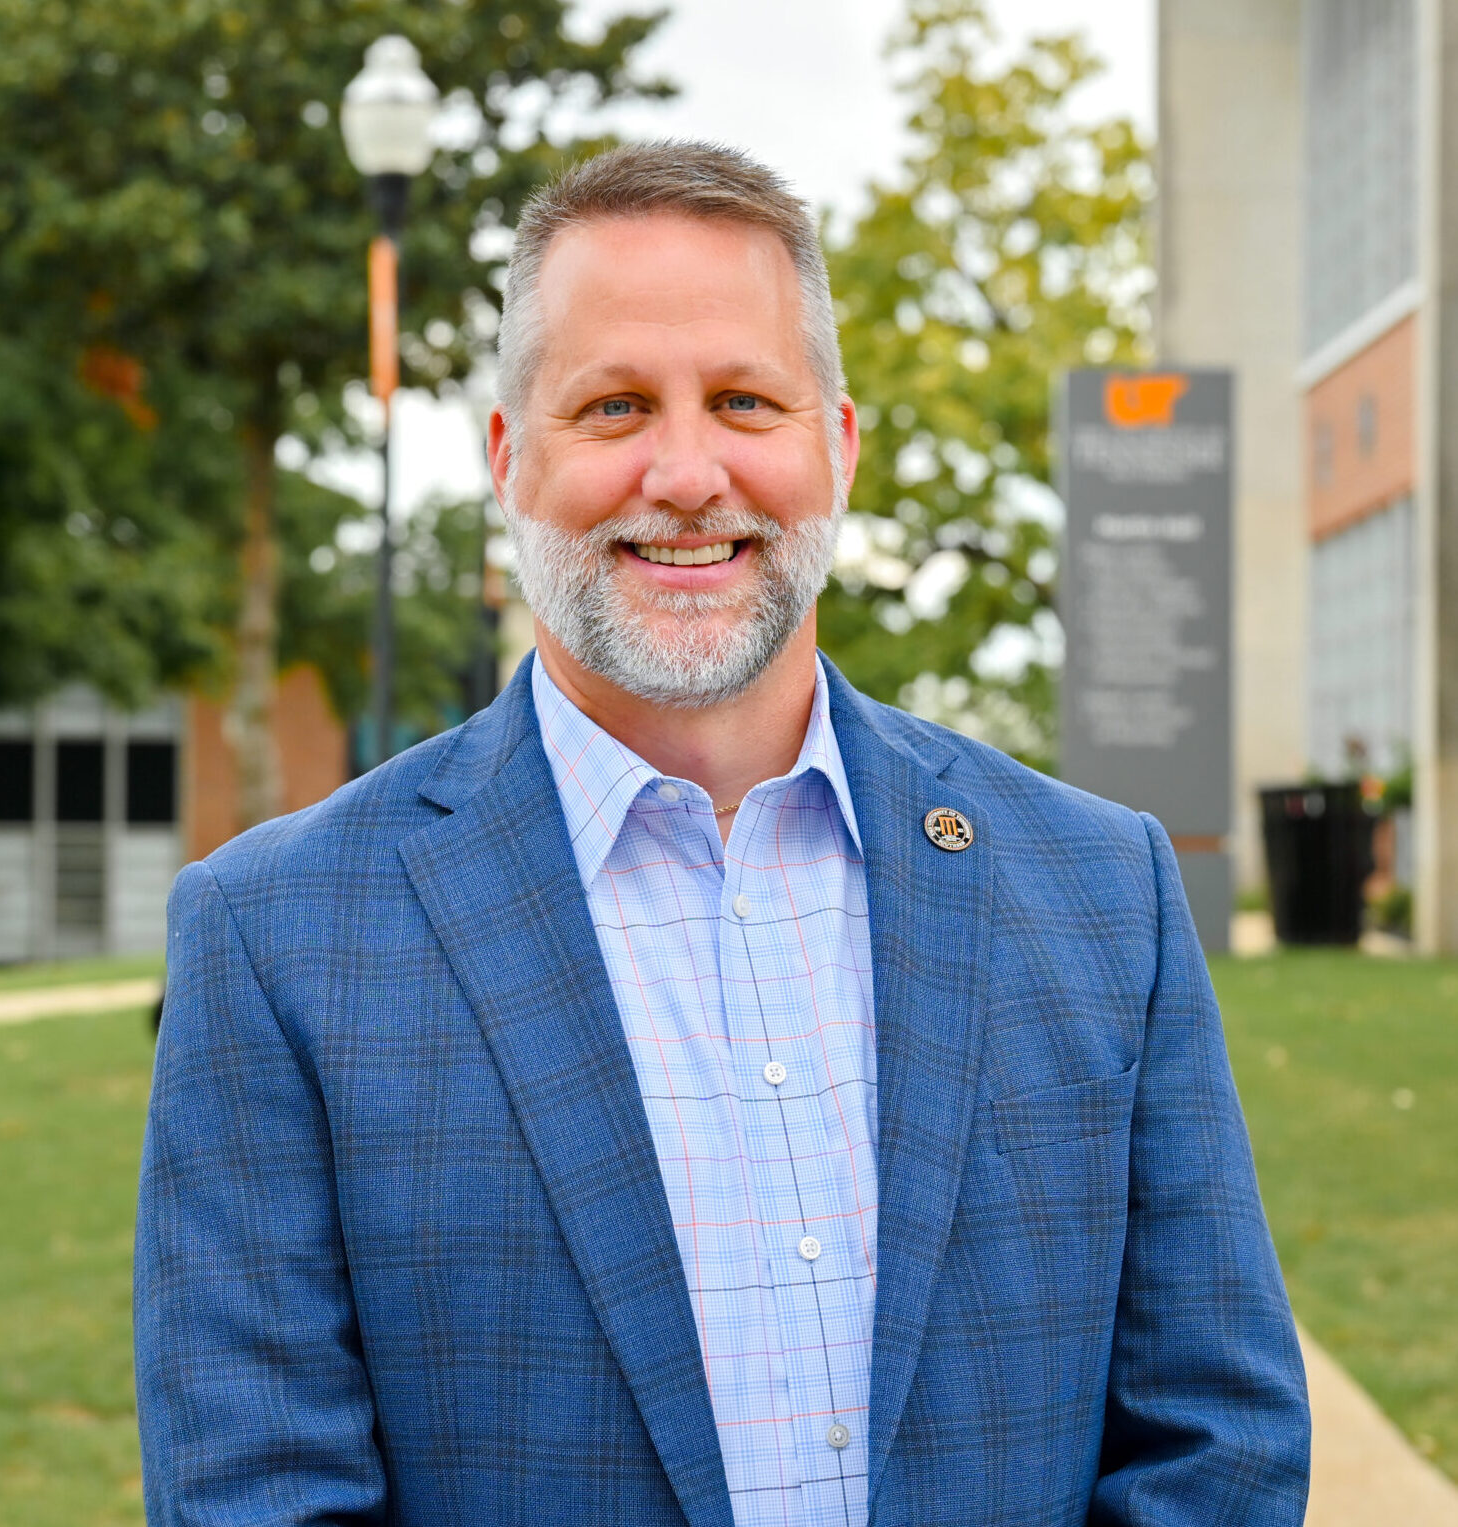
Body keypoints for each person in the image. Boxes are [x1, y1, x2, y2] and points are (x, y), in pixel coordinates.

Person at [135, 142, 1309, 1526]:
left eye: (746, 400)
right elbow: (256, 1500)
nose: (687, 473)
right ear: (511, 457)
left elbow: (1215, 1443)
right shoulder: (280, 937)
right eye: (616, 404)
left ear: (840, 445)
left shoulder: (1103, 890)